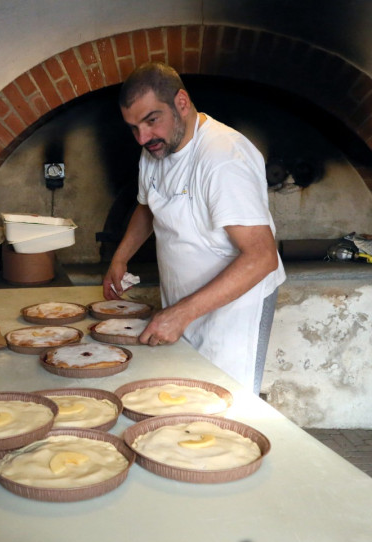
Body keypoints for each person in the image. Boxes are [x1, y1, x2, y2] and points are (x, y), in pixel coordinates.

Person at [102, 62, 286, 394]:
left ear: (182, 103)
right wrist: (120, 258)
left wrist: (181, 314)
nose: (143, 137)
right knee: (186, 400)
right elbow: (148, 206)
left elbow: (262, 257)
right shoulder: (156, 148)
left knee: (227, 409)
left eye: (151, 120)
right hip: (185, 303)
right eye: (133, 127)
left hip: (234, 310)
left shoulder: (222, 159)